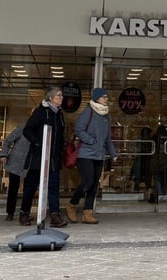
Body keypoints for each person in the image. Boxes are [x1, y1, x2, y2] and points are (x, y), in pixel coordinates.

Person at [17, 86, 68, 228]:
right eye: (58, 96)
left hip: (53, 158)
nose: (61, 98)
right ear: (50, 98)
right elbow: (28, 130)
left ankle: (55, 215)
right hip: (38, 157)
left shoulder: (59, 114)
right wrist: (38, 143)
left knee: (53, 186)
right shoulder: (41, 112)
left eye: (61, 96)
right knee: (31, 186)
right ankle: (24, 213)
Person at [65, 87, 117, 224]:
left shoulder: (106, 116)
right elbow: (79, 130)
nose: (106, 99)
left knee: (94, 185)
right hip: (86, 154)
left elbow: (107, 138)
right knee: (87, 182)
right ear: (97, 98)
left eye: (107, 97)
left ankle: (87, 213)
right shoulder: (88, 112)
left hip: (99, 155)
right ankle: (72, 204)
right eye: (104, 97)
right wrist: (91, 141)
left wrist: (113, 154)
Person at [0, 124, 29, 221]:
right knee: (13, 187)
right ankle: (10, 212)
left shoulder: (40, 130)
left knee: (28, 189)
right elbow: (8, 140)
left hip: (30, 163)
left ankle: (25, 212)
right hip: (16, 161)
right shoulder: (22, 128)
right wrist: (3, 154)